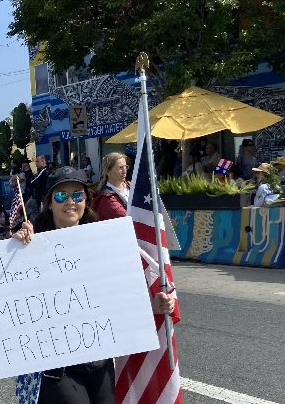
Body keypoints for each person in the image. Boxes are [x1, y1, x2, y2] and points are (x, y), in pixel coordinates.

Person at [12, 167, 174, 403]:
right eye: (61, 196)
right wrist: (17, 244)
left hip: (99, 361)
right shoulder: (30, 246)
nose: (70, 202)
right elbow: (11, 296)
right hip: (56, 367)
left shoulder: (106, 244)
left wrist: (154, 306)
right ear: (49, 203)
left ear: (86, 201)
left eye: (77, 195)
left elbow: (120, 296)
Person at [92, 153, 130, 220]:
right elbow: (126, 218)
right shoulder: (106, 198)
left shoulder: (131, 186)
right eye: (120, 168)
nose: (125, 171)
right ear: (108, 171)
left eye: (125, 167)